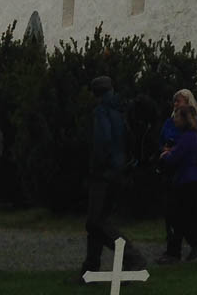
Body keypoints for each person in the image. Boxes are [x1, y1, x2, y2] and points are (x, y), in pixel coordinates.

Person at [81, 76, 144, 276]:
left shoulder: (101, 111)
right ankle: (90, 269)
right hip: (119, 171)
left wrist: (95, 167)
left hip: (103, 174)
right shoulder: (121, 110)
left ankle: (132, 257)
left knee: (95, 222)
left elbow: (103, 142)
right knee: (99, 220)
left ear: (95, 93)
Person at [157, 89, 197, 262]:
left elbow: (176, 156)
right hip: (184, 178)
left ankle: (189, 245)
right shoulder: (188, 135)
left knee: (179, 215)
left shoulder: (188, 137)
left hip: (186, 178)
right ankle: (190, 245)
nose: (175, 119)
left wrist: (166, 155)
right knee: (181, 215)